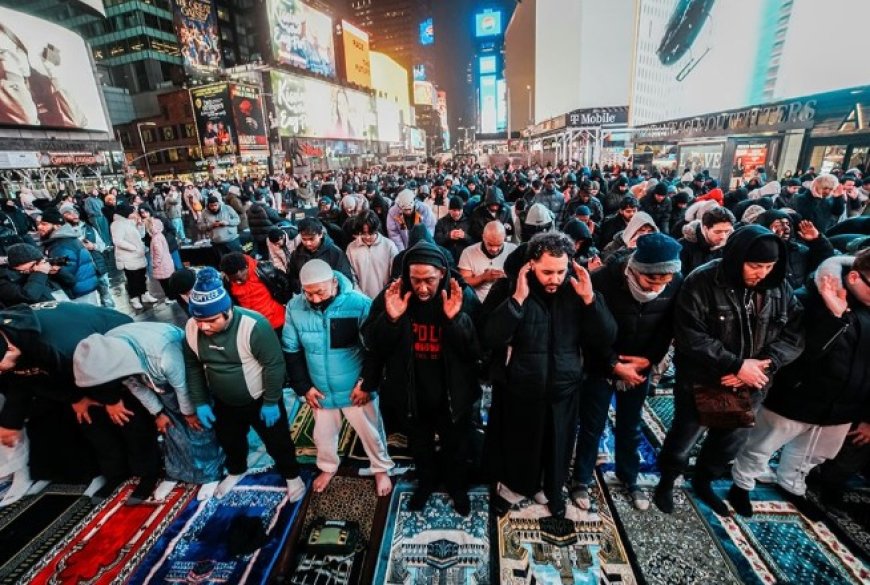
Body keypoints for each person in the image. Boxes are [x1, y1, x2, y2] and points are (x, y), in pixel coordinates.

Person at [653, 225, 805, 516]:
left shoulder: (779, 288)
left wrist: (764, 364)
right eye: (755, 266)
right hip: (704, 379)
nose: (762, 273)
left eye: (769, 266)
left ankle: (704, 480)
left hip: (753, 381)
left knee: (728, 441)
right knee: (684, 438)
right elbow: (690, 335)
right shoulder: (702, 281)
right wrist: (735, 364)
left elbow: (794, 334)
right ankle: (668, 480)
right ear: (737, 258)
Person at [482, 232, 617, 517]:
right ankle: (517, 486)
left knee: (558, 444)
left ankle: (552, 489)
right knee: (521, 442)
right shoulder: (509, 288)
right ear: (531, 265)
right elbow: (489, 336)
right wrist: (517, 301)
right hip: (521, 385)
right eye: (547, 272)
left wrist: (590, 300)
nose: (554, 278)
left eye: (560, 271)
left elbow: (606, 337)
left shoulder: (578, 290)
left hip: (564, 386)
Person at [727, 252, 870, 515]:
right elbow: (799, 350)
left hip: (844, 404)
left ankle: (792, 484)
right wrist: (834, 317)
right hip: (799, 394)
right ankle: (742, 483)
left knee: (814, 452)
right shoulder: (810, 299)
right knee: (763, 443)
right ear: (854, 277)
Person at [362, 240, 481, 515]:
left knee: (456, 446)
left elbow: (477, 349)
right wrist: (391, 319)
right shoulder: (394, 294)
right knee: (420, 445)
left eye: (429, 280)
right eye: (416, 280)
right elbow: (374, 343)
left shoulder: (461, 294)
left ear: (442, 273)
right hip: (411, 392)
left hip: (453, 393)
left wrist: (455, 320)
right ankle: (426, 483)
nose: (423, 288)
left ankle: (456, 486)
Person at [573, 233, 683, 511]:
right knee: (592, 425)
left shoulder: (675, 284)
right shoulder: (603, 280)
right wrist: (613, 364)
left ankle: (629, 476)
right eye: (650, 281)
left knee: (630, 424)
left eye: (664, 281)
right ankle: (581, 478)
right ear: (634, 270)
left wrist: (648, 360)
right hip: (601, 364)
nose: (657, 287)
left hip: (639, 366)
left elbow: (667, 328)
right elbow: (588, 328)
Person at [183, 268, 305, 500]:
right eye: (199, 321)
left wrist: (271, 401)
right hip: (223, 400)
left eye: (211, 321)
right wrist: (200, 401)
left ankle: (292, 475)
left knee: (277, 441)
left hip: (260, 399)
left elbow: (274, 365)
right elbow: (193, 366)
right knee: (230, 440)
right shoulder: (191, 328)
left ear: (227, 311)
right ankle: (237, 470)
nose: (204, 327)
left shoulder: (254, 325)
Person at [73, 322, 225, 500]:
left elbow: (182, 387)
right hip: (156, 379)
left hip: (181, 377)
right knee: (170, 428)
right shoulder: (108, 355)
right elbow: (135, 386)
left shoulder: (165, 357)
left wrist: (189, 413)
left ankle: (210, 474)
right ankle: (177, 472)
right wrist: (158, 413)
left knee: (197, 427)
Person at [0, 303, 134, 502]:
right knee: (73, 414)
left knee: (106, 414)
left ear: (10, 349)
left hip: (112, 338)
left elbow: (95, 368)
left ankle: (130, 470)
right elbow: (22, 380)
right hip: (70, 359)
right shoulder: (11, 339)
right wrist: (11, 422)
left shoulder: (58, 346)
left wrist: (109, 399)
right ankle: (107, 471)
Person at [282, 260, 394, 496]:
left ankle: (381, 468)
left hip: (355, 388)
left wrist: (366, 384)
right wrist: (304, 387)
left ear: (334, 282)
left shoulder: (359, 304)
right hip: (320, 388)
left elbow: (375, 350)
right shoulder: (294, 307)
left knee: (371, 432)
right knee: (323, 436)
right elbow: (291, 350)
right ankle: (328, 467)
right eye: (308, 293)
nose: (315, 299)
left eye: (320, 292)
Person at [755, 210, 835, 289]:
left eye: (787, 224)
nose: (786, 228)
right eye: (778, 225)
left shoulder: (800, 250)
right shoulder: (759, 254)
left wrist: (817, 240)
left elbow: (825, 262)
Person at [36, 208, 100, 305]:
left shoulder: (61, 245)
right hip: (84, 289)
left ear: (57, 226)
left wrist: (45, 268)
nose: (39, 227)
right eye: (39, 224)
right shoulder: (64, 240)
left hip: (79, 294)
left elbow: (66, 275)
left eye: (44, 224)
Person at [219, 252, 287, 335]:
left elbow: (286, 283)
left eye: (240, 278)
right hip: (253, 327)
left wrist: (284, 300)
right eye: (234, 280)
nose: (238, 282)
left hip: (277, 321)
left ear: (245, 268)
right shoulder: (227, 281)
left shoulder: (264, 270)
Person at [287, 218, 354, 294]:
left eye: (311, 239)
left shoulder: (335, 253)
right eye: (304, 239)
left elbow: (345, 279)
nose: (308, 243)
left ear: (321, 234)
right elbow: (292, 277)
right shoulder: (296, 254)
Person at [111, 202, 157, 310]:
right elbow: (118, 241)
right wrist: (133, 248)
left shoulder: (130, 222)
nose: (135, 213)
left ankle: (144, 294)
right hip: (128, 257)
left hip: (138, 256)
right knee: (132, 279)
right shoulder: (117, 224)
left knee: (141, 276)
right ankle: (134, 298)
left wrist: (140, 226)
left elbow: (140, 235)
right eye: (132, 211)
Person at [458, 221, 517, 303]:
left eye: (499, 245)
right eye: (490, 244)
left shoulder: (513, 250)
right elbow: (463, 283)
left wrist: (506, 277)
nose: (494, 249)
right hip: (478, 303)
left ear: (504, 238)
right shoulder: (468, 252)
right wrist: (483, 277)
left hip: (506, 303)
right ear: (483, 237)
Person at [346, 211, 398, 299]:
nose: (367, 237)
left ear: (377, 229)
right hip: (361, 299)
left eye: (371, 233)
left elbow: (395, 276)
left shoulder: (389, 246)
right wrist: (360, 297)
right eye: (363, 233)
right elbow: (352, 276)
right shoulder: (351, 248)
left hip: (386, 297)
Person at [0, 243, 67, 305]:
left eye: (38, 262)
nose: (36, 266)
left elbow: (70, 284)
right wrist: (40, 273)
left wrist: (58, 272)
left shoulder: (38, 271)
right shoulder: (4, 281)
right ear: (17, 265)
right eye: (32, 265)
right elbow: (28, 297)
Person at [679, 206, 735, 276]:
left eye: (727, 231)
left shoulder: (731, 244)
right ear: (705, 229)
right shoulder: (683, 247)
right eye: (717, 232)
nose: (723, 236)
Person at [434, 196, 473, 264]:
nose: (457, 213)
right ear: (449, 210)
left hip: (464, 259)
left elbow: (474, 242)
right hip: (446, 259)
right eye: (454, 210)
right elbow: (436, 241)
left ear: (462, 209)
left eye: (459, 210)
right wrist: (448, 236)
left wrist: (465, 236)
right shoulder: (441, 222)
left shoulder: (469, 222)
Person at [247, 191, 282, 259]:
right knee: (268, 253)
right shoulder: (266, 208)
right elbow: (277, 218)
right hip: (268, 235)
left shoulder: (250, 209)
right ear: (263, 198)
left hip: (255, 235)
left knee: (260, 252)